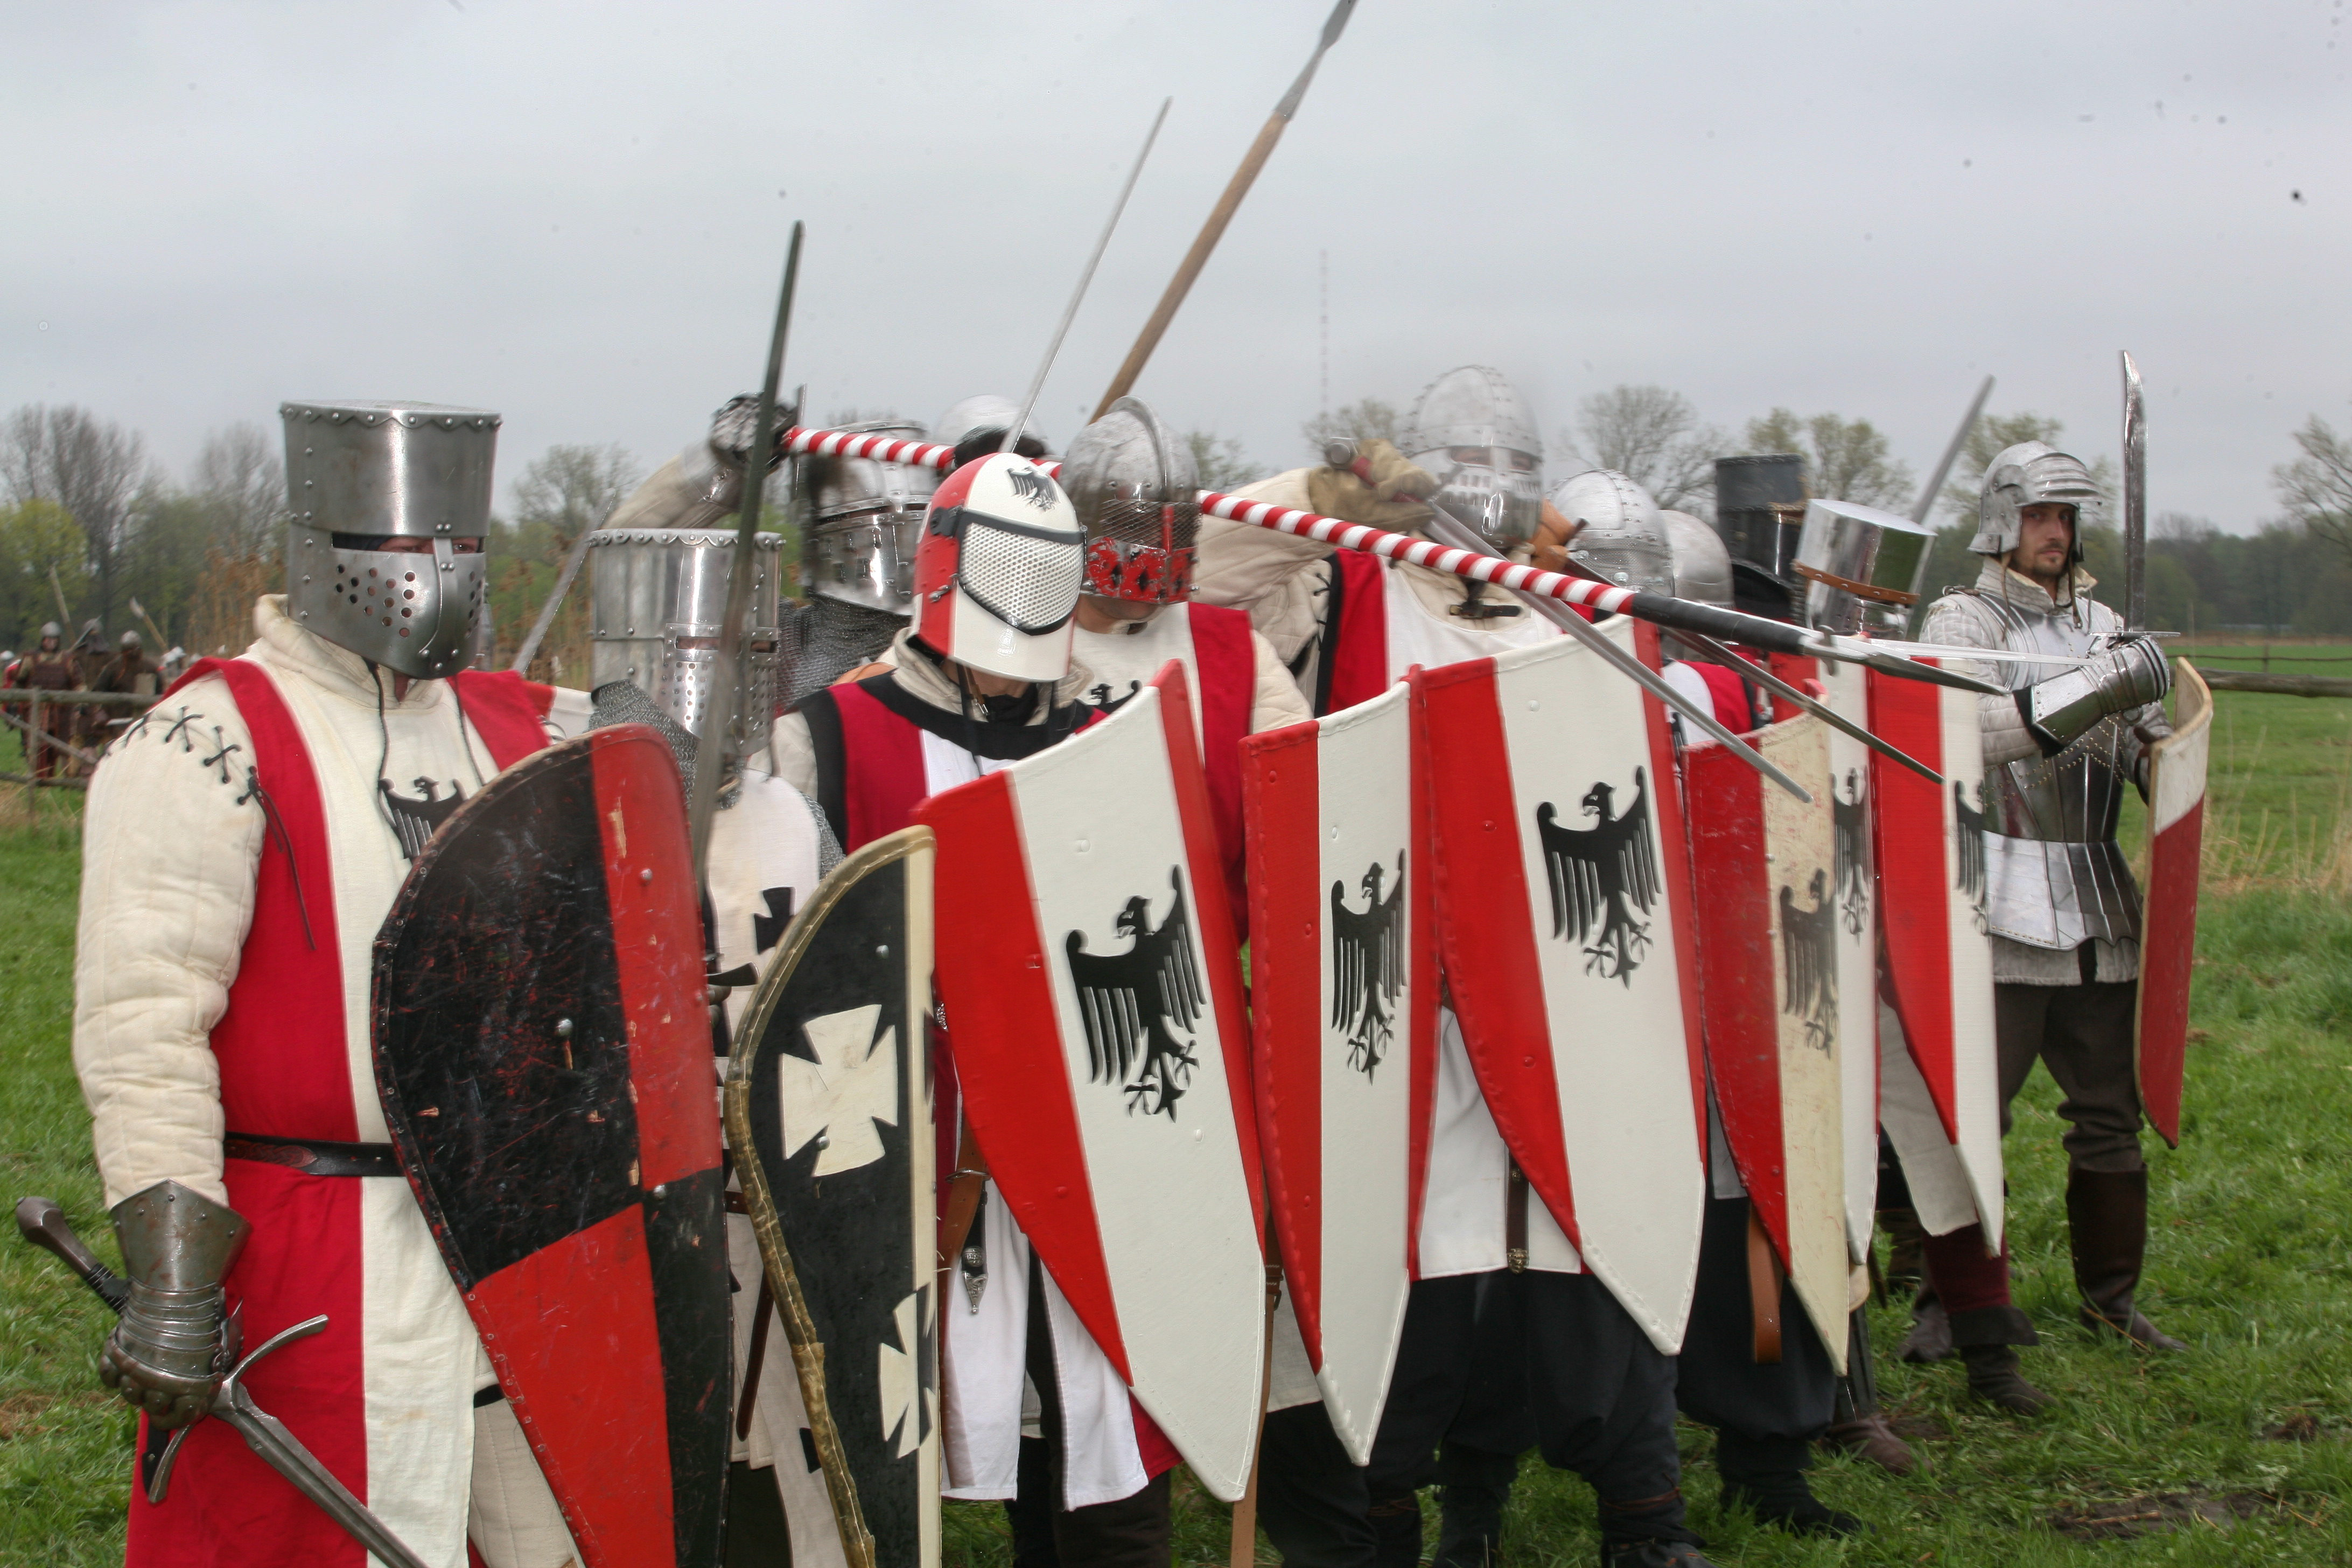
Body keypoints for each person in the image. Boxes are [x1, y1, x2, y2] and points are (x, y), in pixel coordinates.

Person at [1200, 373, 1717, 1568]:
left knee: (1594, 1255)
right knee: (1409, 1281)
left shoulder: (1580, 609)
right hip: (1397, 1018)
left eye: (1508, 467)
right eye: (1464, 468)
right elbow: (1201, 578)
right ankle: (1391, 1521)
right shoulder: (1341, 588)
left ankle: (1645, 1521)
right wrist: (1324, 496)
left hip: (1567, 1005)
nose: (1487, 490)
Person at [73, 400, 585, 1567]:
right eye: (403, 547)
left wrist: (703, 488)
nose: (438, 574)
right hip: (310, 1256)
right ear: (325, 548)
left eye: (461, 545)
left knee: (548, 1539)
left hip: (510, 1245)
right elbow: (145, 1022)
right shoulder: (206, 741)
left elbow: (692, 721)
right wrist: (175, 1281)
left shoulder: (507, 726)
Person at [776, 453, 1191, 1568]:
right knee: (887, 1474)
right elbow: (802, 979)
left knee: (1106, 1466)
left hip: (1087, 1143)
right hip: (910, 1161)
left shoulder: (1108, 729)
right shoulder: (828, 737)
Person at [582, 521, 844, 1568]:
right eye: (716, 650)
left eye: (758, 649)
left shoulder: (794, 817)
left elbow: (850, 1011)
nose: (743, 676)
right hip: (628, 1229)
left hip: (775, 1219)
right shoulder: (573, 809)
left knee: (774, 1485)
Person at [1916, 441, 2182, 1357]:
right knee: (1970, 1119)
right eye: (2038, 515)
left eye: (2064, 517)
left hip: (2098, 898)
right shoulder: (1962, 619)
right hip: (1994, 901)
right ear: (2002, 520)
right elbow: (1963, 733)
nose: (2054, 533)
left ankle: (2111, 1301)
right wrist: (2101, 682)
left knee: (2109, 1116)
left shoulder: (2105, 622)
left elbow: (2145, 745)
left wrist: (2159, 748)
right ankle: (1947, 1307)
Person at [8, 620, 81, 779]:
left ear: (58, 640)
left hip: (61, 712)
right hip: (35, 711)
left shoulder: (67, 659)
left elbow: (79, 685)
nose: (51, 642)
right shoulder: (31, 658)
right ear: (43, 640)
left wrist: (81, 705)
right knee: (35, 745)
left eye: (54, 639)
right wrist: (13, 702)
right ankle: (38, 778)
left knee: (58, 746)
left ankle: (56, 779)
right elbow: (19, 681)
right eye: (48, 639)